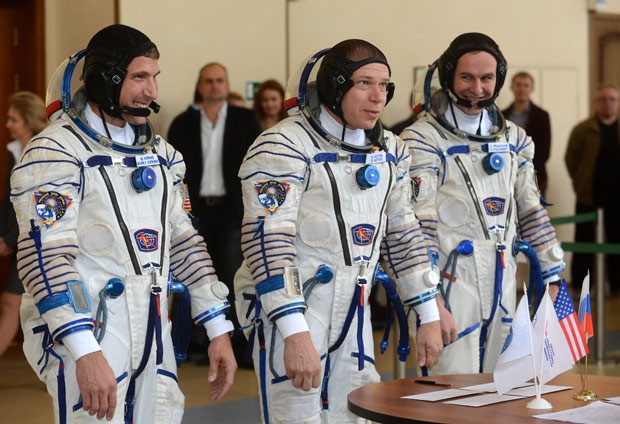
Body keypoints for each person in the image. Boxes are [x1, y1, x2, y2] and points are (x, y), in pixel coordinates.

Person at [10, 24, 237, 423]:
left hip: (153, 332)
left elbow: (184, 245)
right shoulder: (56, 152)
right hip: (91, 332)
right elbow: (44, 260)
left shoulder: (163, 155)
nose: (151, 92)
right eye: (139, 78)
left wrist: (217, 326)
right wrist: (85, 350)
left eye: (155, 78)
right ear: (106, 78)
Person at [235, 39, 443, 423]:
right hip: (295, 313)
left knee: (357, 415)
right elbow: (267, 246)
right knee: (295, 415)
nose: (378, 96)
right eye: (365, 83)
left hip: (355, 311)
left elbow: (403, 235)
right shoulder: (283, 145)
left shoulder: (391, 151)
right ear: (334, 86)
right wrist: (295, 332)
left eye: (385, 85)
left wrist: (427, 312)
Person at [401, 32, 565, 375]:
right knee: (451, 394)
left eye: (486, 78)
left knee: (502, 389)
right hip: (450, 285)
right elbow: (418, 228)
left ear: (498, 79)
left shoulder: (514, 140)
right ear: (449, 77)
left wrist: (553, 280)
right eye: (467, 77)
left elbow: (533, 213)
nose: (477, 88)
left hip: (503, 283)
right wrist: (430, 304)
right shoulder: (423, 138)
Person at [167, 62, 261, 367]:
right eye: (208, 81)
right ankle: (196, 342)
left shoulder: (245, 120)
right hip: (194, 211)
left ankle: (235, 342)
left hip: (231, 209)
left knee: (231, 275)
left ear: (226, 82)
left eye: (220, 80)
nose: (215, 86)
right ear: (200, 85)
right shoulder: (182, 123)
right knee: (193, 274)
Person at [0, 91, 47, 358]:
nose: (8, 125)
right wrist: (4, 235)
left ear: (29, 120)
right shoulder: (14, 152)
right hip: (22, 241)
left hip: (42, 242)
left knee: (11, 302)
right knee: (16, 303)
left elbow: (37, 204)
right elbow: (9, 201)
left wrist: (9, 237)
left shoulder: (43, 151)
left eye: (13, 119)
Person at [565, 83, 620, 294]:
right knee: (584, 243)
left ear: (617, 103)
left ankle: (617, 285)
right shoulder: (582, 130)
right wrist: (580, 182)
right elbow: (571, 160)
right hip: (589, 196)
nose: (608, 103)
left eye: (612, 99)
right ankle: (581, 285)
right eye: (603, 99)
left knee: (616, 242)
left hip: (617, 199)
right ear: (596, 103)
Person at [502, 72, 552, 196]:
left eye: (526, 85)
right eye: (518, 85)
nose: (522, 89)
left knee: (535, 215)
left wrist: (524, 172)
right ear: (512, 87)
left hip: (534, 179)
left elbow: (544, 152)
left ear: (532, 89)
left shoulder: (542, 116)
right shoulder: (502, 116)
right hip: (506, 178)